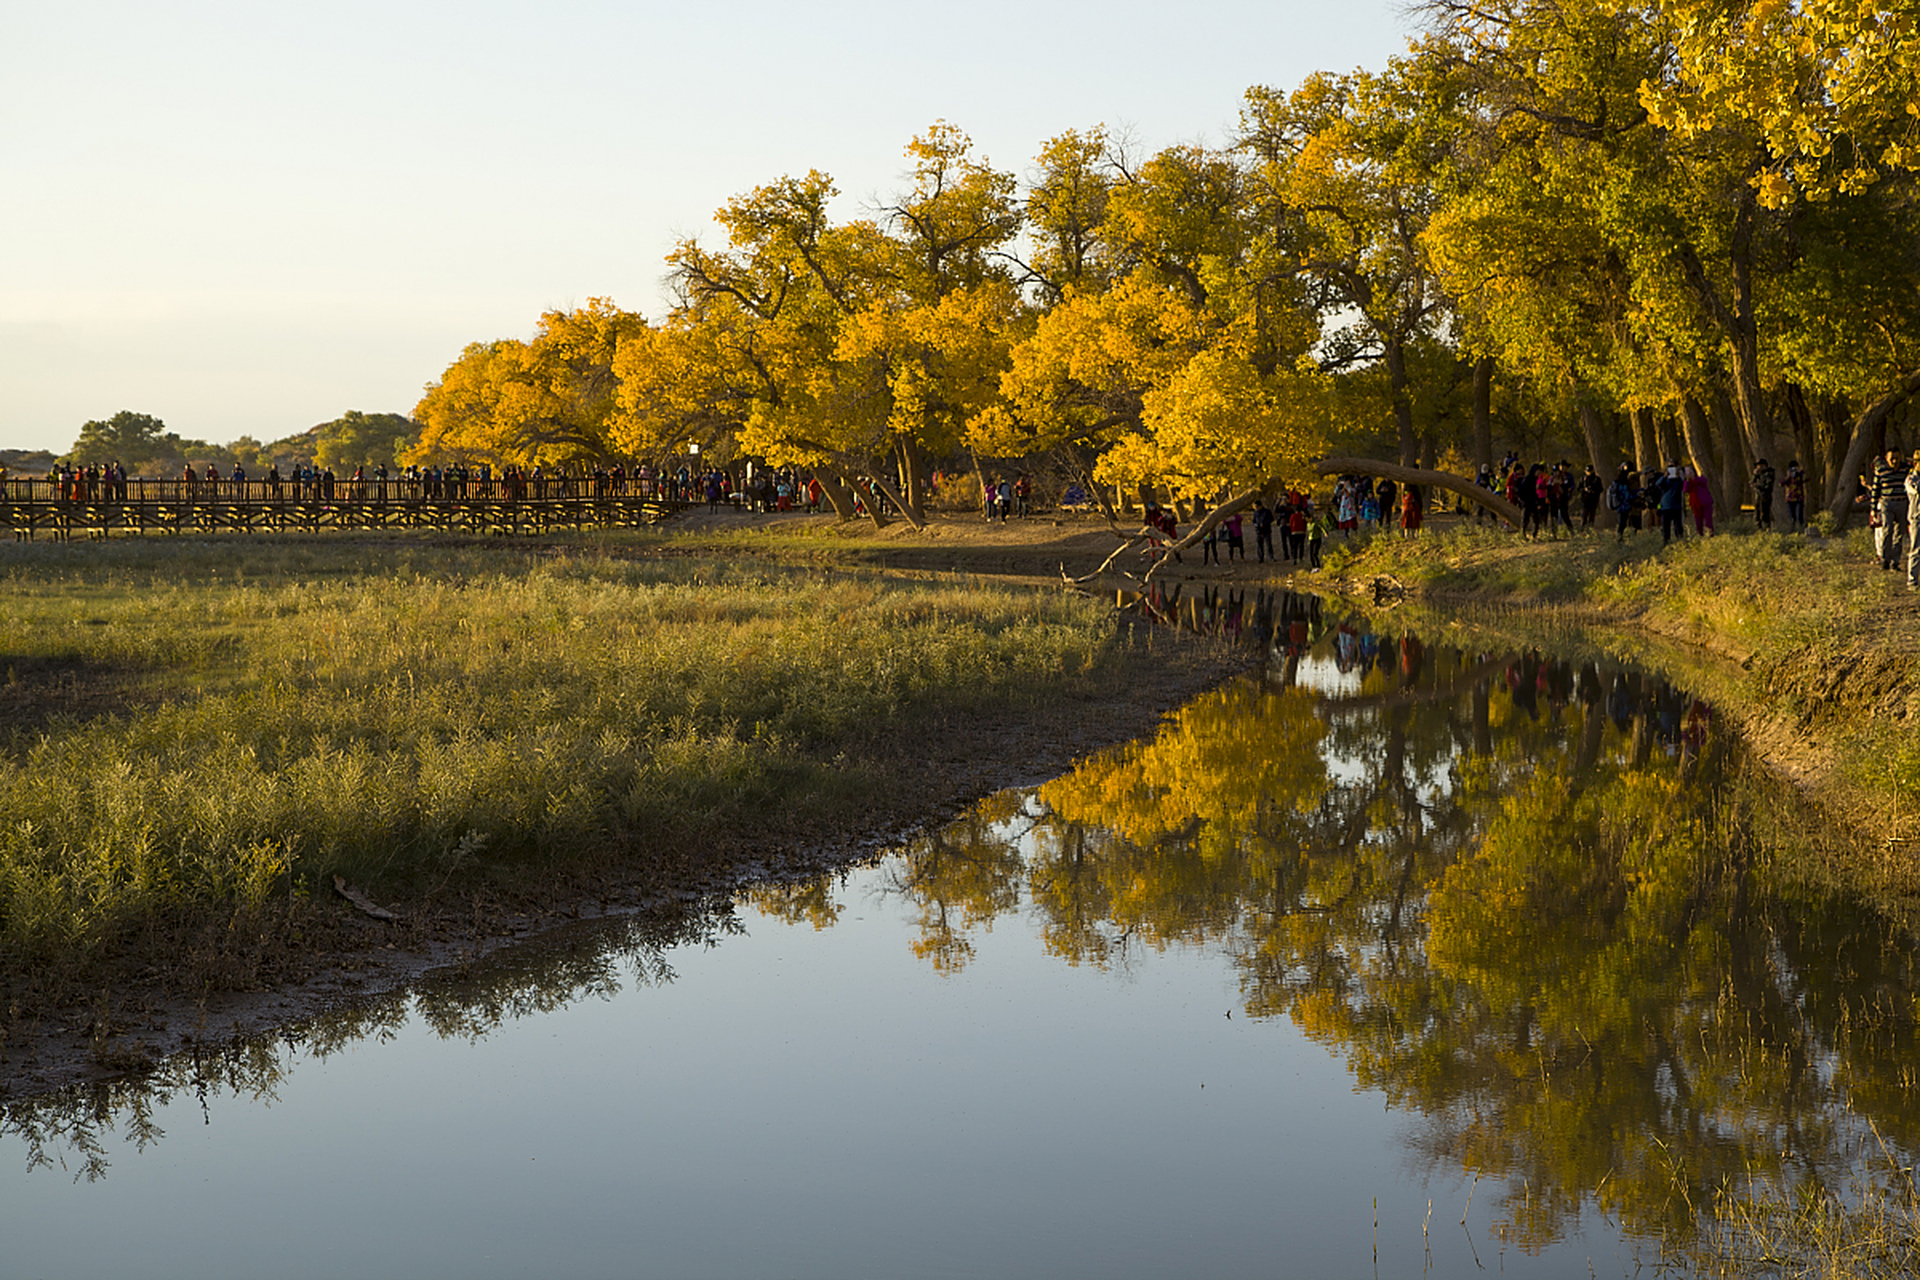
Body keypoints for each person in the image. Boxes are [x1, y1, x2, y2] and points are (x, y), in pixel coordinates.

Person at [1872, 448, 1909, 571]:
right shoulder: (1881, 471)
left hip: (1902, 502)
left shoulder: (1905, 469)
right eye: (1891, 458)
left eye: (1897, 458)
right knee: (1887, 531)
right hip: (1887, 503)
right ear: (1886, 459)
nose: (1894, 461)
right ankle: (1885, 559)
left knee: (1899, 533)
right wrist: (1873, 508)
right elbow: (1875, 490)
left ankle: (1895, 561)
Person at [1752, 458, 1776, 529]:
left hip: (1766, 496)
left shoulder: (1769, 474)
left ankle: (1766, 529)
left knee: (1764, 514)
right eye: (1757, 466)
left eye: (1760, 466)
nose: (1759, 468)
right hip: (1758, 496)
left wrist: (1758, 486)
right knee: (1757, 514)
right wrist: (1755, 475)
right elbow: (1752, 482)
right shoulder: (1759, 474)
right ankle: (1758, 529)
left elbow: (1767, 486)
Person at [1782, 461, 1806, 531]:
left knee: (1799, 516)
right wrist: (1788, 476)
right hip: (1790, 499)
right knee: (1792, 517)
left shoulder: (1800, 476)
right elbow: (1781, 483)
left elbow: (1805, 479)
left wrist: (1800, 472)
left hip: (1799, 499)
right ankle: (1792, 530)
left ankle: (1801, 530)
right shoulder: (1788, 477)